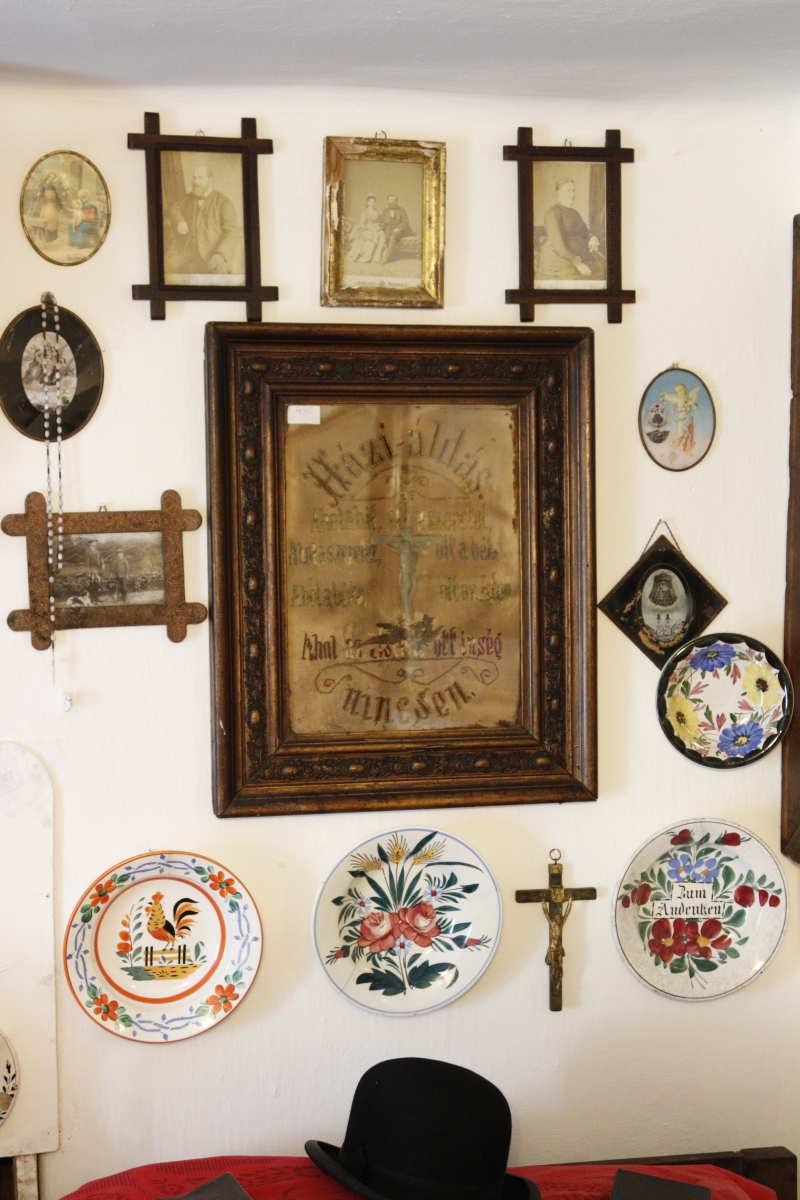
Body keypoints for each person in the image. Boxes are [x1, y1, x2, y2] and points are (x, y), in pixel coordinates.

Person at [166, 164, 242, 276]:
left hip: (212, 250)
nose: (196, 181)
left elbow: (232, 232)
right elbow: (173, 208)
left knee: (218, 277)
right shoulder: (188, 197)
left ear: (210, 180)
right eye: (194, 177)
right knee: (163, 267)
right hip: (186, 248)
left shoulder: (224, 202)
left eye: (200, 178)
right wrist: (179, 221)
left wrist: (221, 254)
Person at [536, 177, 605, 281]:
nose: (572, 194)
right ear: (559, 192)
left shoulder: (574, 213)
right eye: (568, 191)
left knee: (603, 270)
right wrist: (577, 263)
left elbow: (584, 230)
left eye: (573, 190)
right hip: (557, 261)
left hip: (574, 258)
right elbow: (557, 244)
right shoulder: (552, 213)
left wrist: (592, 237)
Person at [346, 194, 387, 264]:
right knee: (373, 235)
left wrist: (379, 225)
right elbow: (363, 223)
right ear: (368, 203)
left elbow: (379, 220)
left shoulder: (376, 211)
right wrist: (367, 228)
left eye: (373, 202)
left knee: (381, 234)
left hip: (376, 227)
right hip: (367, 228)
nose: (372, 204)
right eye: (371, 202)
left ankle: (377, 258)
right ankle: (367, 257)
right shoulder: (365, 212)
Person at [32, 170, 63, 245]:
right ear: (48, 177)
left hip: (54, 207)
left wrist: (61, 202)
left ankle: (52, 238)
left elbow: (57, 197)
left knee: (54, 221)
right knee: (47, 221)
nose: (53, 180)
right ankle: (45, 238)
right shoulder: (42, 186)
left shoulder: (53, 187)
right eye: (52, 178)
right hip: (46, 207)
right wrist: (38, 194)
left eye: (54, 178)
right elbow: (37, 194)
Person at [380, 193, 413, 261]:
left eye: (394, 200)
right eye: (390, 199)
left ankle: (386, 258)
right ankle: (382, 255)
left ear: (396, 201)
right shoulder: (385, 211)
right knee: (384, 236)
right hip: (388, 229)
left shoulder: (401, 209)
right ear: (388, 201)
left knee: (393, 236)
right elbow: (382, 222)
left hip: (400, 230)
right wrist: (382, 228)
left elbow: (405, 222)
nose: (392, 201)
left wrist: (398, 228)